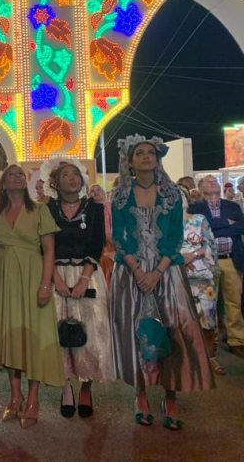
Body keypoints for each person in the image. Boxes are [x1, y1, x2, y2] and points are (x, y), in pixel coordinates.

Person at [111, 134, 213, 431]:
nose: (146, 156)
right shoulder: (120, 195)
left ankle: (171, 395)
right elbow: (118, 236)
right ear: (130, 162)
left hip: (166, 271)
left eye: (151, 153)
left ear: (157, 160)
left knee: (174, 328)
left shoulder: (172, 194)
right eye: (139, 153)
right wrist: (137, 269)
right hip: (131, 271)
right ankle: (141, 394)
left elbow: (175, 237)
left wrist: (157, 271)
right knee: (136, 331)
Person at [0, 164, 62, 429]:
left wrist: (45, 285)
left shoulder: (40, 210)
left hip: (32, 277)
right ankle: (15, 396)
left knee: (34, 335)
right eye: (11, 175)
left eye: (20, 174)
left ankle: (33, 398)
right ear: (3, 183)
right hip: (3, 279)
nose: (17, 177)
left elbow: (49, 250)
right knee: (9, 336)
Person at [41, 160, 114, 419]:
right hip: (55, 273)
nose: (71, 178)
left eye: (75, 174)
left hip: (88, 275)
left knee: (91, 333)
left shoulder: (94, 208)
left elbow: (97, 244)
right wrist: (56, 279)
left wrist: (83, 279)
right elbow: (43, 246)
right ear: (55, 182)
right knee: (58, 332)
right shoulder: (47, 209)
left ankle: (86, 388)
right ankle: (65, 387)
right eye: (65, 175)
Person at [190, 175, 244, 359]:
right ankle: (209, 344)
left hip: (230, 259)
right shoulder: (196, 208)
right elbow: (199, 231)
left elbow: (241, 227)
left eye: (215, 181)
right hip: (206, 262)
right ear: (200, 188)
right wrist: (227, 223)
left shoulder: (232, 206)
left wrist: (213, 227)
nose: (213, 182)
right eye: (208, 181)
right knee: (207, 304)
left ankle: (237, 340)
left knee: (234, 301)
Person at [179, 187, 223, 375]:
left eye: (180, 196)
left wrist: (193, 255)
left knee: (207, 319)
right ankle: (188, 360)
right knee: (182, 321)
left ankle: (210, 357)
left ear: (186, 200)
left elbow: (210, 245)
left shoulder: (199, 220)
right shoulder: (164, 224)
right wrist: (180, 258)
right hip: (177, 277)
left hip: (202, 278)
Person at [89, 184, 115, 285]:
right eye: (92, 191)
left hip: (110, 243)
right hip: (96, 243)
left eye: (98, 189)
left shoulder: (109, 206)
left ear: (103, 192)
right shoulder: (89, 209)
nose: (96, 192)